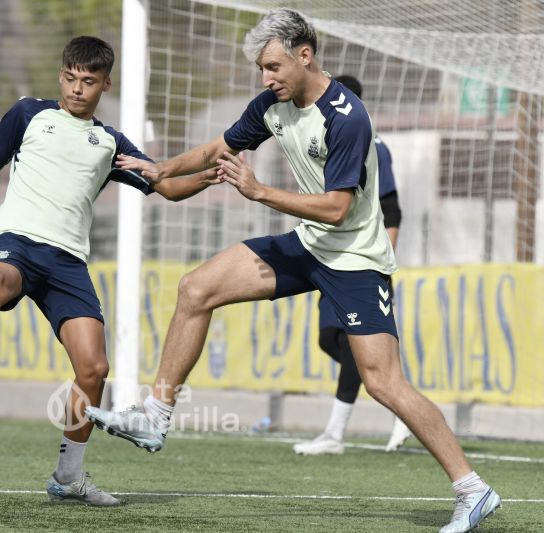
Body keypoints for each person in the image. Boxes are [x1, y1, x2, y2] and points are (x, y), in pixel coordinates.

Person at [85, 10, 501, 532]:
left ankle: (472, 489)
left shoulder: (347, 117)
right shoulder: (272, 105)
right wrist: (162, 168)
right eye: (261, 69)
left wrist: (258, 191)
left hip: (354, 259)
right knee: (196, 288)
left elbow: (336, 210)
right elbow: (222, 147)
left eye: (273, 66)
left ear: (305, 55)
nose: (266, 79)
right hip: (308, 246)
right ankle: (155, 415)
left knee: (384, 383)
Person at [0, 36, 219, 507]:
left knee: (94, 369)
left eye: (88, 82)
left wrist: (210, 174)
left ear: (104, 84)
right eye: (71, 78)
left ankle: (68, 477)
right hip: (16, 240)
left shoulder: (110, 143)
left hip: (68, 262)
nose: (77, 89)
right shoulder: (28, 114)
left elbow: (167, 187)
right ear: (61, 76)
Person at [292, 74, 413, 456]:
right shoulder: (314, 135)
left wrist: (379, 262)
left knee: (350, 345)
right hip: (327, 255)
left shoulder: (372, 142)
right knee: (330, 339)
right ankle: (405, 407)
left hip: (360, 260)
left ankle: (334, 434)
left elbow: (391, 208)